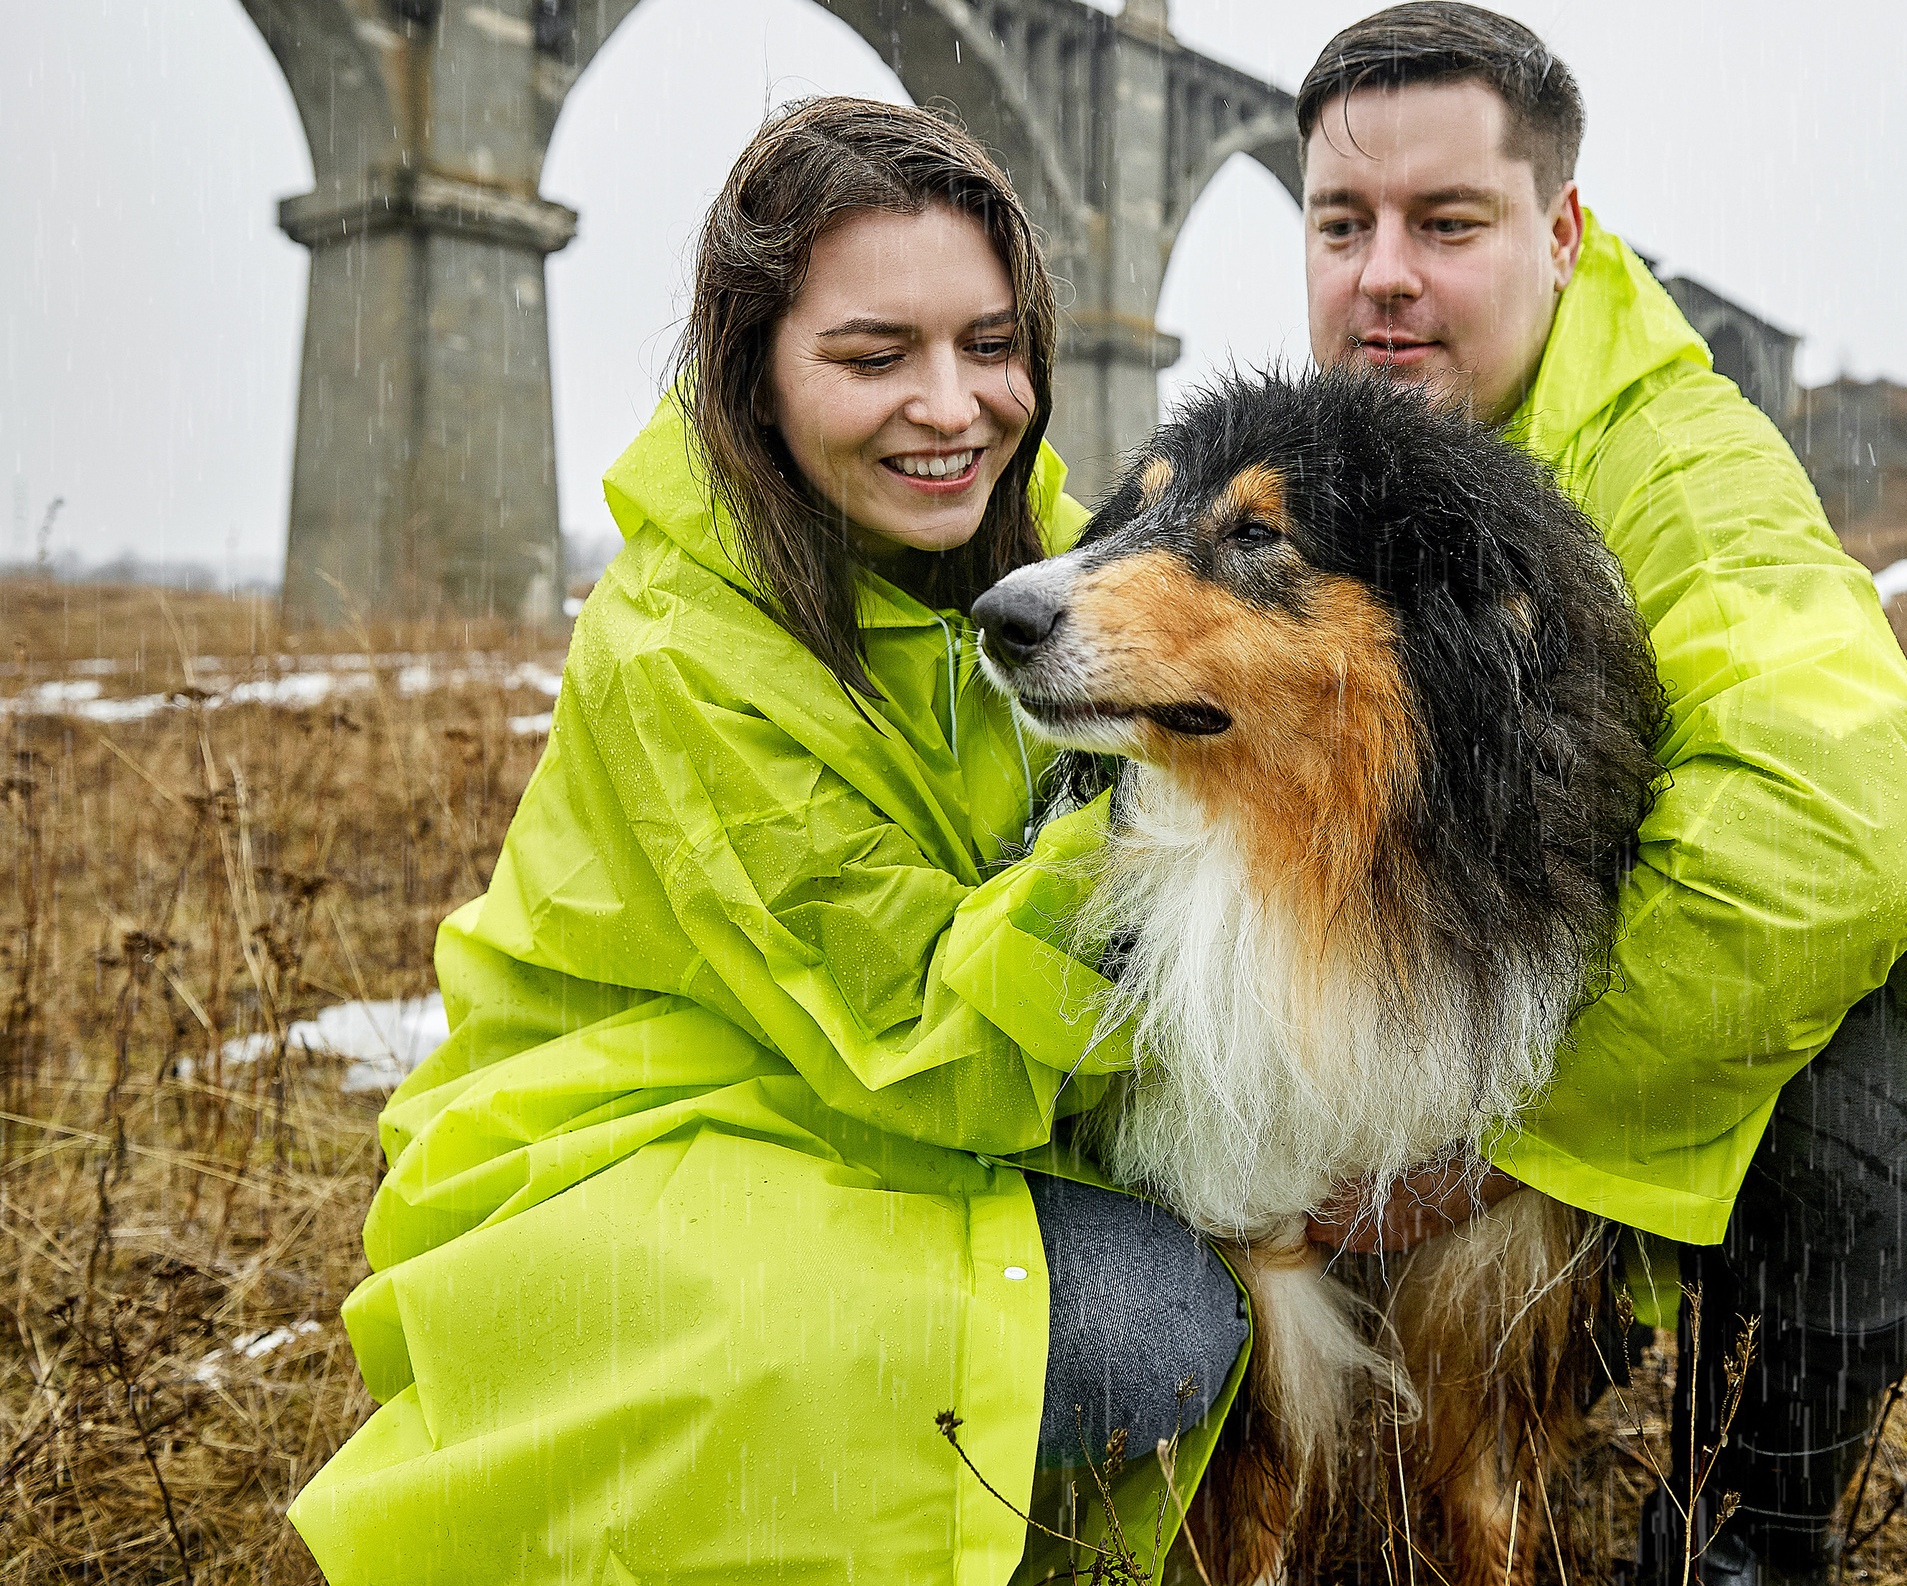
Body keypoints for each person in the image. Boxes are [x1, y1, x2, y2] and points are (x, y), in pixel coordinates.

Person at [288, 99, 1247, 1585]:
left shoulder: (1037, 541)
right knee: (1163, 1322)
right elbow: (928, 1032)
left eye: (991, 346)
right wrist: (1165, 806)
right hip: (649, 1147)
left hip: (851, 1124)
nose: (952, 405)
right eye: (875, 357)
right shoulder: (677, 645)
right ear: (756, 372)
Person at [1284, 3, 1907, 1585]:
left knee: (1884, 1074)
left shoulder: (1682, 468)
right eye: (1343, 224)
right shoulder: (1278, 466)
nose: (1382, 274)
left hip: (1576, 1108)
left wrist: (1510, 1148)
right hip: (1391, 1070)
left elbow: (1831, 834)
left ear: (1565, 232)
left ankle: (1751, 1534)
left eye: (1447, 224)